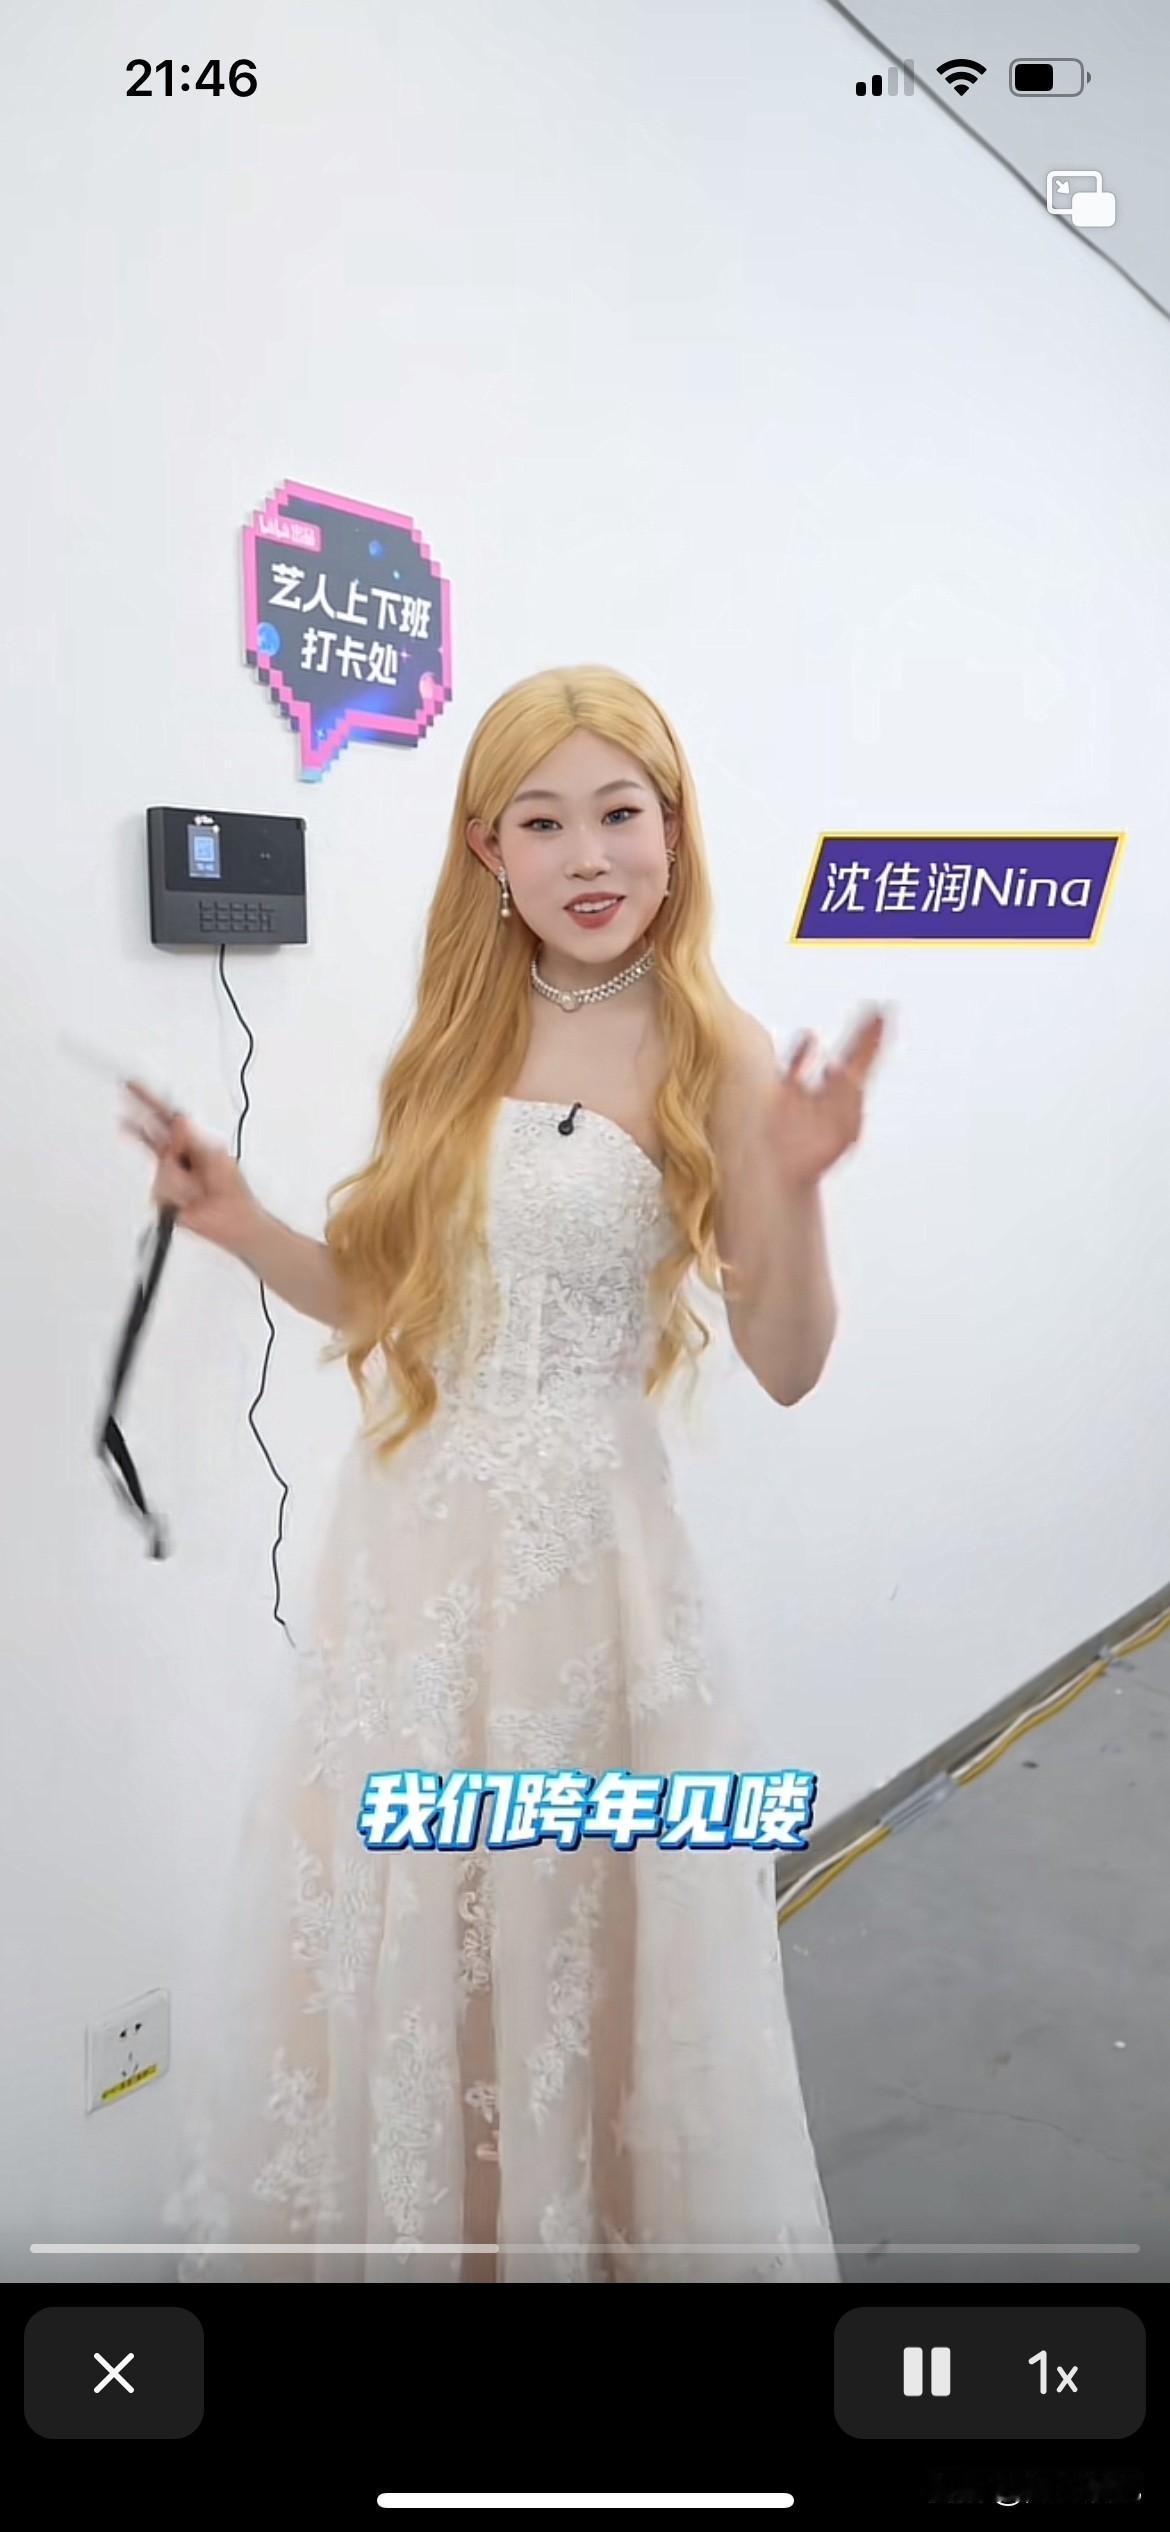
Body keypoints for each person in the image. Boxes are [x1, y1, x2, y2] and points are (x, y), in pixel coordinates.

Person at [127, 663, 872, 2283]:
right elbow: (392, 1307)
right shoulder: (457, 1034)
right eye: (542, 823)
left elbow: (786, 1360)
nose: (587, 855)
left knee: (570, 1949)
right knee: (412, 1942)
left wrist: (798, 1189)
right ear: (487, 850)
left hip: (587, 1587)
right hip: (408, 1566)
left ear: (673, 831)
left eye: (619, 813)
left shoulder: (716, 1047)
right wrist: (237, 1220)